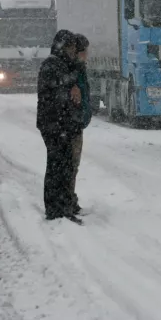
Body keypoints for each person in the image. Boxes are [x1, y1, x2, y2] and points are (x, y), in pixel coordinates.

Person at [36, 29, 84, 224]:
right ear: (63, 47)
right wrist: (71, 84)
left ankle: (63, 207)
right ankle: (56, 209)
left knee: (64, 166)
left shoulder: (63, 64)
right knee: (57, 167)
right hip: (54, 124)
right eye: (71, 47)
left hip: (61, 124)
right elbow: (56, 89)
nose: (74, 51)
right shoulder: (52, 65)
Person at [69, 34, 93, 216]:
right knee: (70, 164)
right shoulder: (71, 70)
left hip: (77, 123)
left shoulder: (79, 68)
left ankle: (70, 199)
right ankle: (68, 200)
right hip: (71, 124)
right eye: (84, 51)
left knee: (73, 165)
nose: (86, 54)